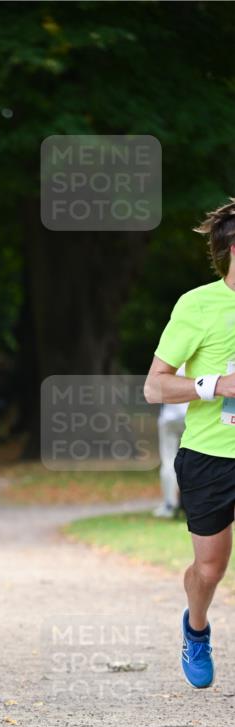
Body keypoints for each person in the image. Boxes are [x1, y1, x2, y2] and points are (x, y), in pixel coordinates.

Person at [144, 197, 235, 689]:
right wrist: (215, 385)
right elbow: (154, 387)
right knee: (210, 567)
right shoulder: (197, 305)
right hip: (210, 456)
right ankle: (195, 628)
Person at [153, 365, 188, 518]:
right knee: (193, 459)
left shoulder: (169, 362)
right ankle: (188, 504)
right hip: (190, 416)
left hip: (170, 418)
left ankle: (170, 504)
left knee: (169, 461)